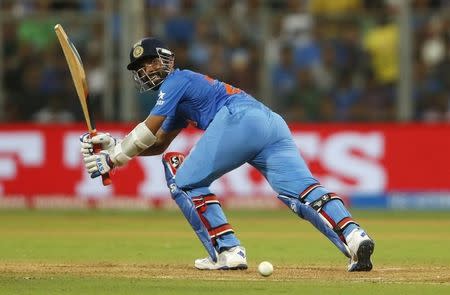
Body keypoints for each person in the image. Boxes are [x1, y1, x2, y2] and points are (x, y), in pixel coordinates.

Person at [80, 37, 375, 271]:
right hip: (270, 123)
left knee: (182, 179)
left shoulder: (176, 81)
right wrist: (114, 144)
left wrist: (114, 157)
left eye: (150, 62)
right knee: (300, 192)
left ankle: (228, 251)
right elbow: (157, 142)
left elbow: (148, 127)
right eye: (141, 68)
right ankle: (354, 237)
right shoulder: (181, 93)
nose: (146, 70)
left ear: (166, 60)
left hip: (237, 119)